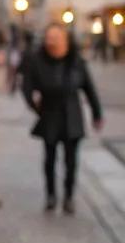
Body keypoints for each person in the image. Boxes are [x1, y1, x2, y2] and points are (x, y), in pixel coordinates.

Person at [22, 24, 103, 214]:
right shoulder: (37, 61)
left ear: (65, 40)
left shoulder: (77, 62)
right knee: (49, 158)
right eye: (49, 37)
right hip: (49, 113)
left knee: (71, 160)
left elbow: (89, 89)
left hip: (72, 114)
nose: (52, 41)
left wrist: (97, 114)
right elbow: (27, 87)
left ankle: (68, 196)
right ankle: (51, 195)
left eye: (56, 38)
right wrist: (35, 106)